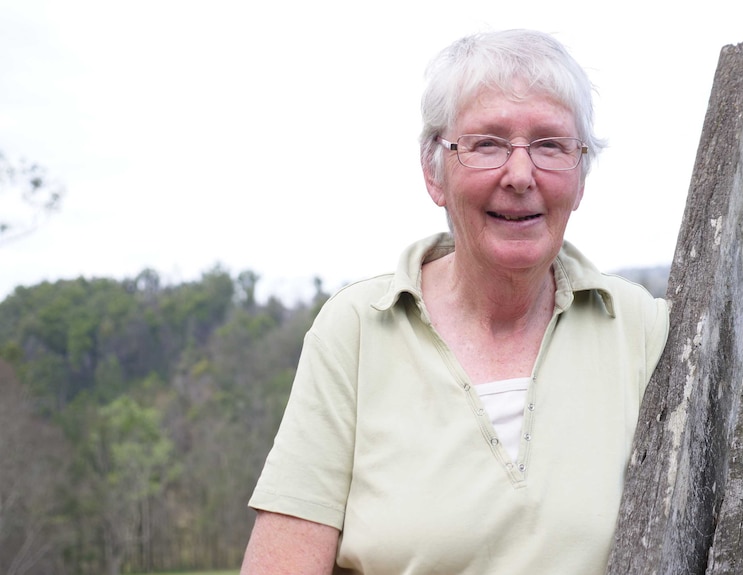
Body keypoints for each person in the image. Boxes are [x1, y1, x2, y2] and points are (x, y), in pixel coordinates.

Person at [241, 29, 669, 574]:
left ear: (581, 176)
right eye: (487, 143)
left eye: (550, 145)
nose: (520, 176)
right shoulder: (355, 331)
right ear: (433, 172)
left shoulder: (646, 331)